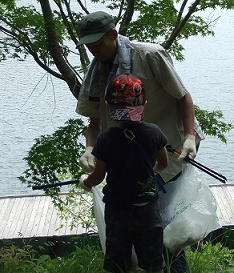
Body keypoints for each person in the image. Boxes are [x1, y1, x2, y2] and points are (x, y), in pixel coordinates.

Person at [76, 11, 205, 273]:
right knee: (146, 226)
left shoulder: (150, 55)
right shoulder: (97, 71)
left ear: (113, 35)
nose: (94, 51)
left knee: (162, 226)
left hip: (170, 149)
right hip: (129, 159)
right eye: (88, 47)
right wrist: (90, 148)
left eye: (98, 44)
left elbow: (183, 97)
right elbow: (94, 122)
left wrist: (190, 136)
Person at [79, 73, 169, 273]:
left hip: (118, 211)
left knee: (118, 262)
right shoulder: (154, 132)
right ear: (143, 102)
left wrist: (86, 182)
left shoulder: (106, 138)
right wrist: (148, 173)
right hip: (148, 209)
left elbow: (99, 176)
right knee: (154, 262)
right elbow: (163, 164)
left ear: (109, 104)